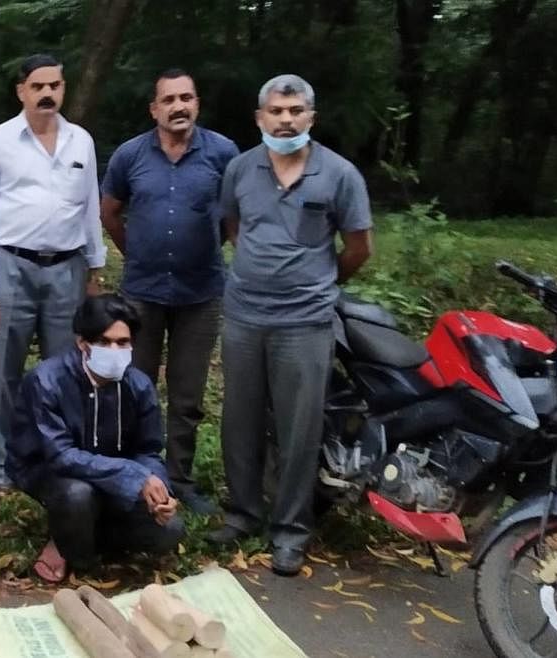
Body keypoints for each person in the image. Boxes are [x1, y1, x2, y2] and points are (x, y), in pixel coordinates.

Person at [210, 74, 373, 576]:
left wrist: (315, 284)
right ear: (260, 118)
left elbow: (358, 248)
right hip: (244, 315)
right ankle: (242, 512)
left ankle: (291, 531)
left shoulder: (339, 174)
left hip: (304, 321)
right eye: (276, 111)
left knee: (298, 428)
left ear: (310, 117)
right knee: (239, 419)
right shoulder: (240, 168)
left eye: (295, 110)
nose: (285, 119)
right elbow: (235, 229)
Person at [100, 69, 239, 515]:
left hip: (200, 294)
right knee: (133, 386)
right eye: (169, 99)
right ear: (154, 108)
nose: (178, 106)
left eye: (187, 98)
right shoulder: (129, 155)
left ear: (197, 103)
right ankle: (134, 475)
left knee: (186, 394)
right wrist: (139, 252)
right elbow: (110, 213)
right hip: (141, 294)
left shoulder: (223, 154)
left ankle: (178, 478)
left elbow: (233, 220)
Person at [0, 54, 106, 499]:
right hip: (11, 264)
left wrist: (95, 267)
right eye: (38, 86)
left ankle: (60, 461)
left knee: (65, 371)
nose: (47, 93)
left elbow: (89, 204)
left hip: (66, 268)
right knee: (6, 371)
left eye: (55, 85)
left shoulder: (80, 141)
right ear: (21, 91)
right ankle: (3, 467)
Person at [7, 294, 185, 583]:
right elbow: (61, 455)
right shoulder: (46, 381)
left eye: (122, 342)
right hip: (50, 472)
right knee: (78, 495)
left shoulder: (138, 385)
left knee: (170, 530)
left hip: (114, 475)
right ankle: (79, 555)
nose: (114, 349)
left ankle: (72, 533)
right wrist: (134, 476)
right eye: (104, 341)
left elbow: (149, 449)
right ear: (82, 343)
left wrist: (159, 491)